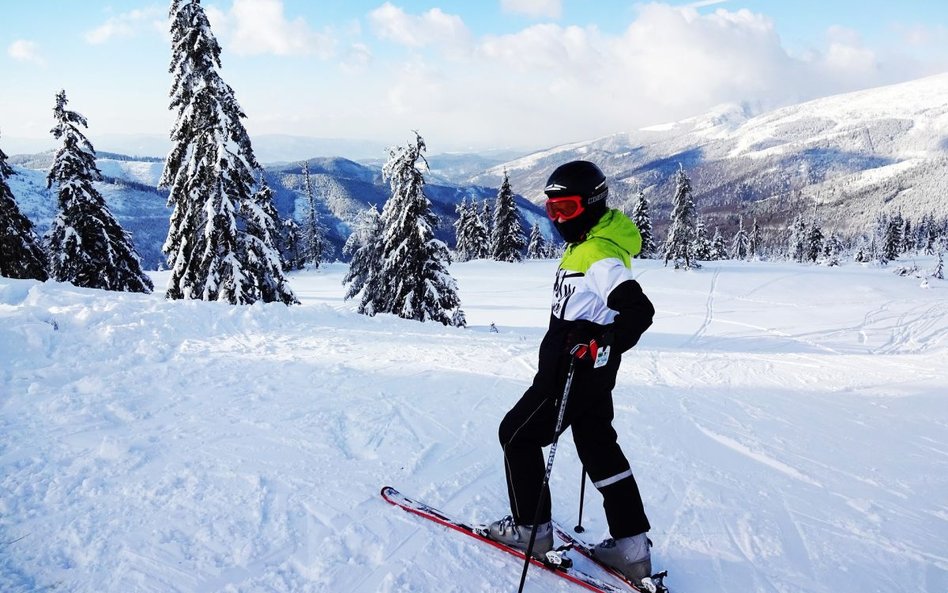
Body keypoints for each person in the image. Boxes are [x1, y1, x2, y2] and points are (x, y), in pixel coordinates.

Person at [487, 160, 656, 585]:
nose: (558, 218)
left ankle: (531, 532)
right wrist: (602, 343)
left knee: (516, 435)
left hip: (567, 375)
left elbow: (639, 310)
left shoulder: (598, 254)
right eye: (552, 210)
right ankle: (632, 549)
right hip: (594, 374)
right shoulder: (593, 242)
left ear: (593, 204)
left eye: (566, 208)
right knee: (599, 448)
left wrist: (605, 339)